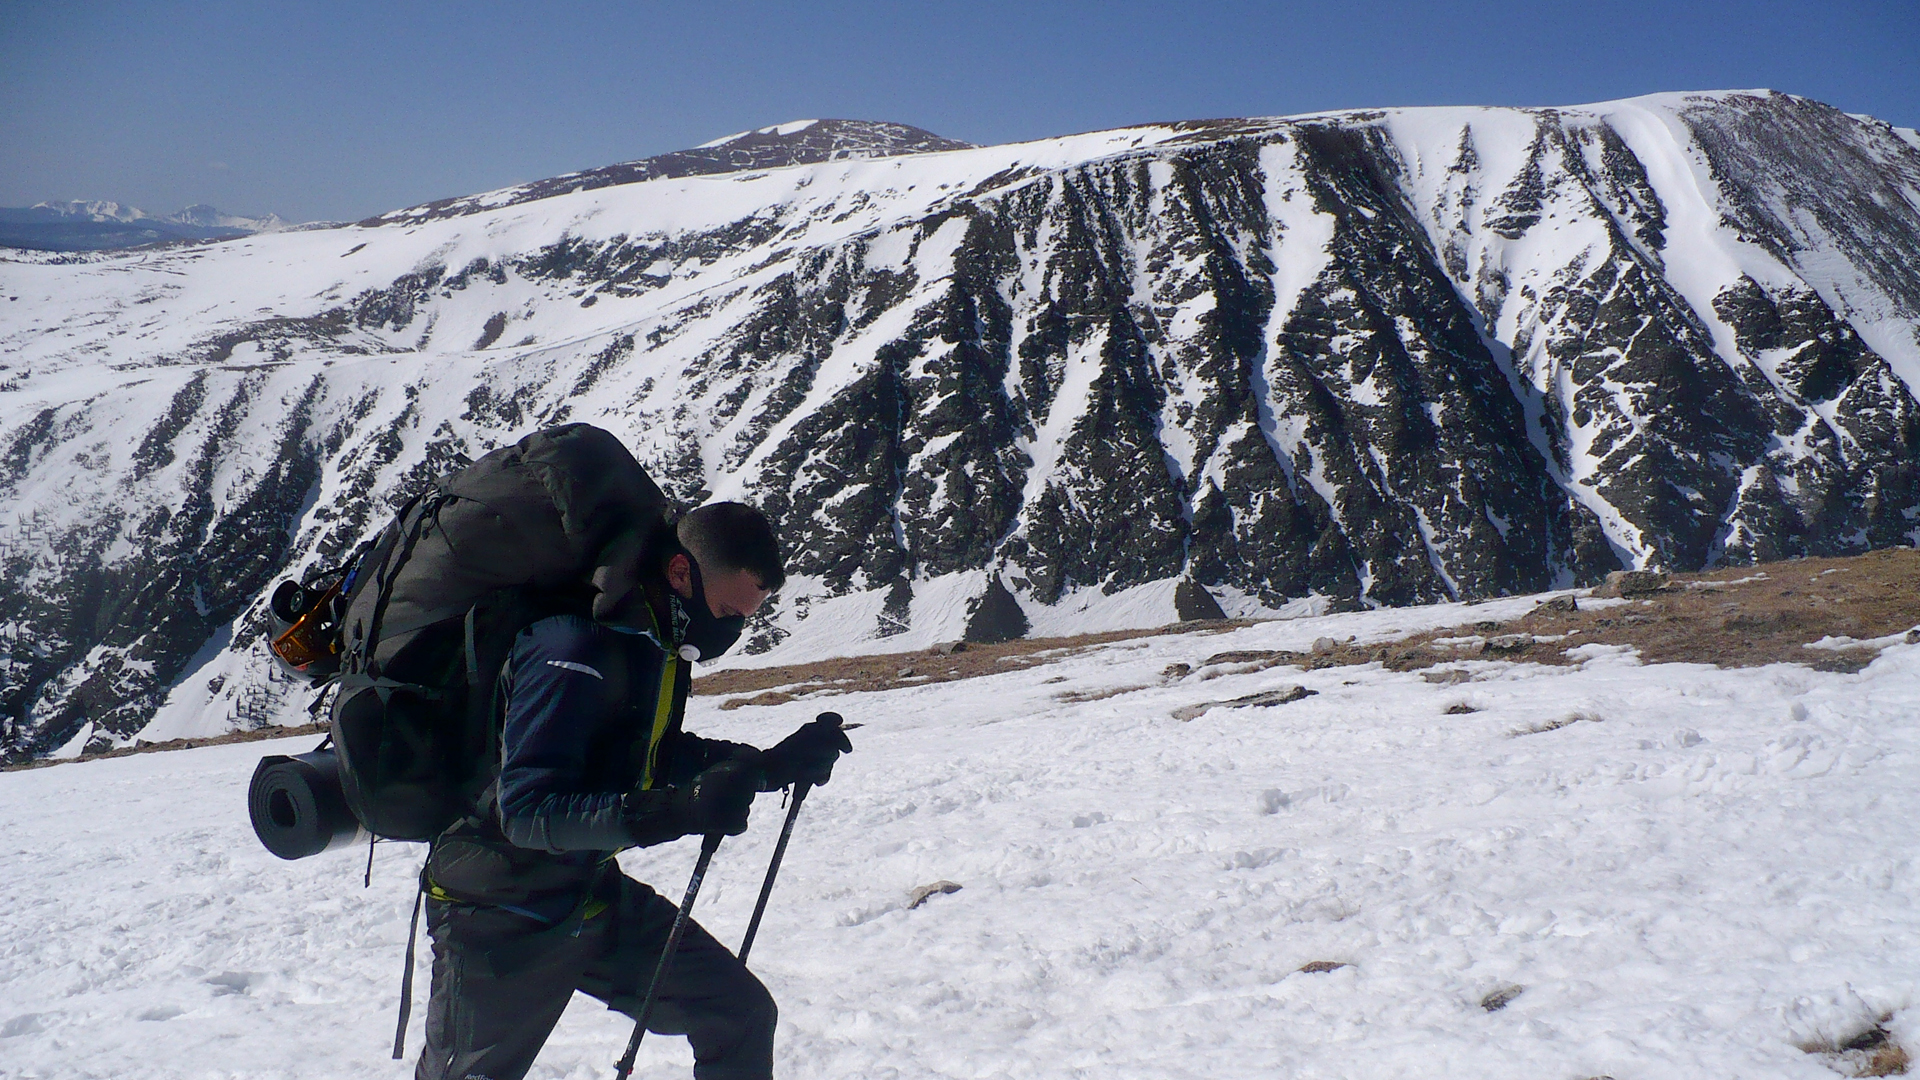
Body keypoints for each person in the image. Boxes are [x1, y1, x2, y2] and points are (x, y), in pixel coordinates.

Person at [414, 501, 852, 1080]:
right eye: (725, 610)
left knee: (737, 1012)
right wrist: (675, 810)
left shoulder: (650, 643)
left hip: (585, 889)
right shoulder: (571, 649)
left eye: (744, 618)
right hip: (499, 909)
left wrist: (766, 767)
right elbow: (525, 811)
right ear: (680, 574)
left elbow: (653, 755)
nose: (729, 630)